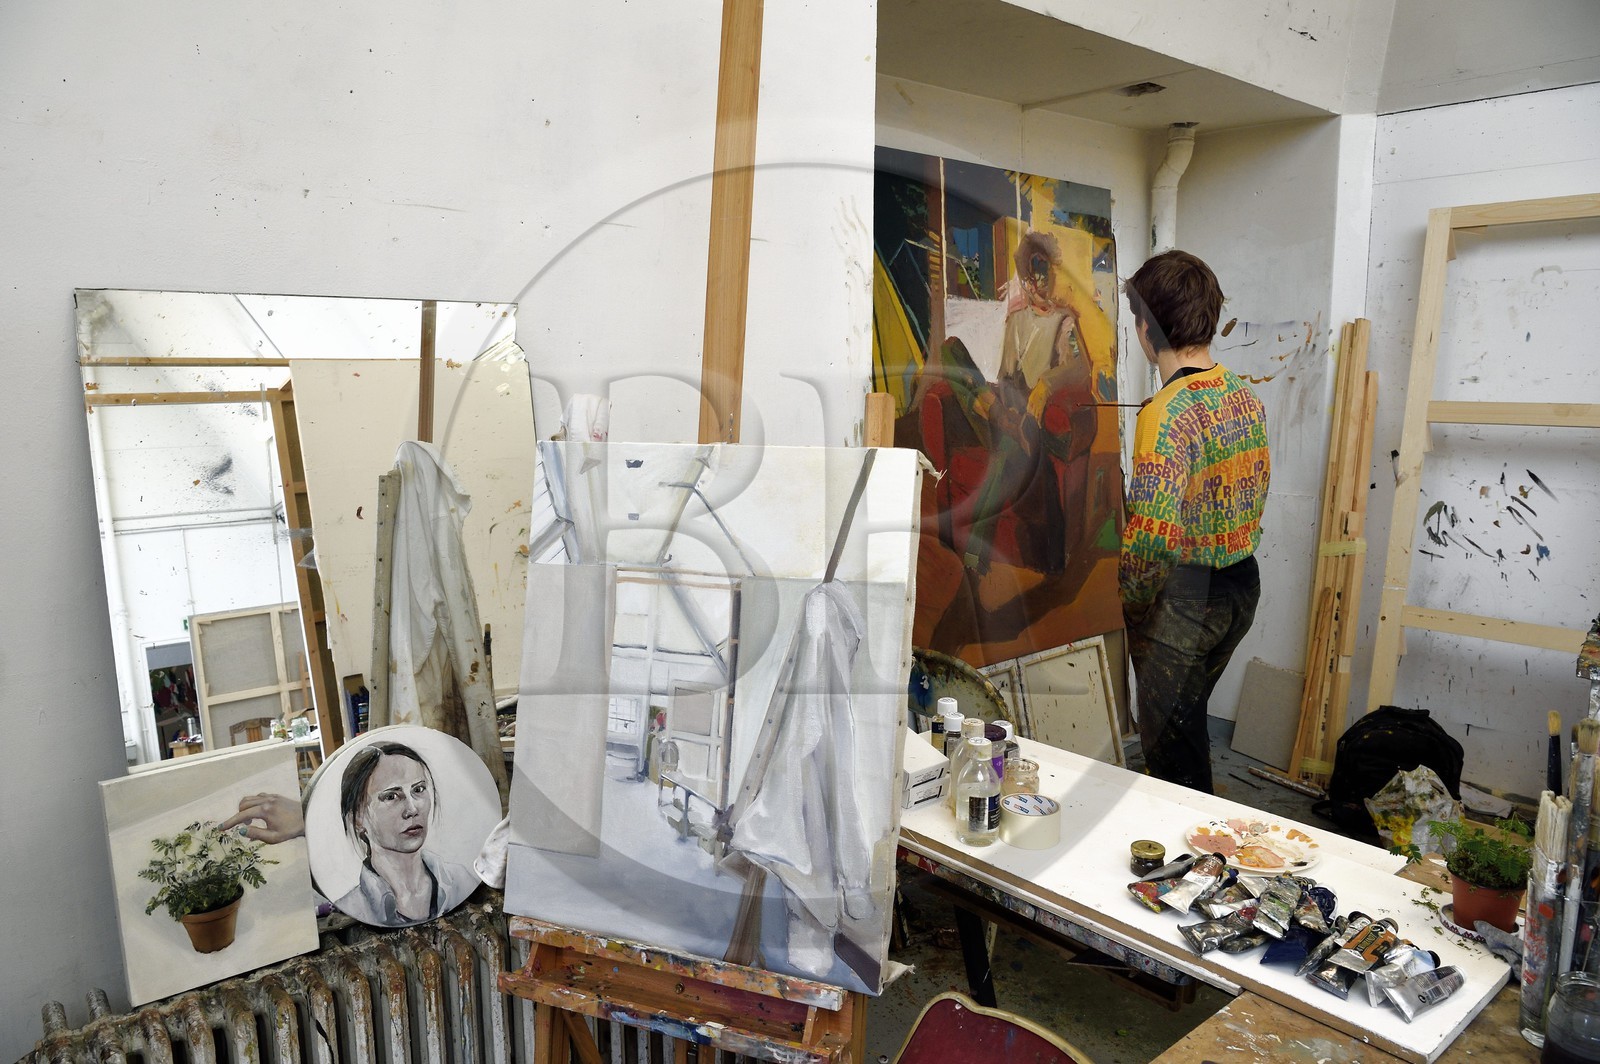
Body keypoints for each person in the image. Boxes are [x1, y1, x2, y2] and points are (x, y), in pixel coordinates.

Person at [1120, 250, 1269, 794]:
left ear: (1145, 329)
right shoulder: (1244, 395)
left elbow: (1152, 539)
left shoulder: (1165, 413)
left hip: (1184, 604)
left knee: (1174, 765)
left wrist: (1134, 605)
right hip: (1240, 590)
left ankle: (1194, 867)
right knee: (1188, 726)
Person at [334, 741, 479, 926]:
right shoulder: (352, 908)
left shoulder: (461, 881)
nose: (412, 809)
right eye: (391, 797)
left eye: (418, 790)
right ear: (357, 818)